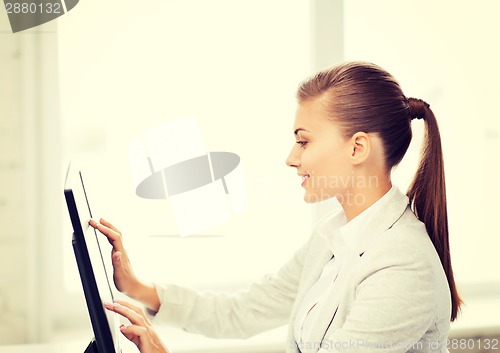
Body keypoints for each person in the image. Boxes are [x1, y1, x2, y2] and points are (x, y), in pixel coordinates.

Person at [90, 61, 461, 353]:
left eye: (303, 142)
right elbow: (244, 311)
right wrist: (138, 288)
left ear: (357, 148)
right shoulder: (332, 238)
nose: (290, 158)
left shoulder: (402, 267)